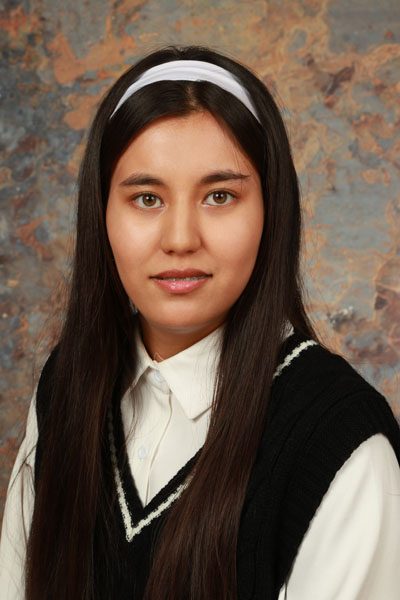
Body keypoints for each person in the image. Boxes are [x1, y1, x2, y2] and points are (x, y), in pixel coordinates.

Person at [1, 45, 400, 600]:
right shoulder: (65, 388)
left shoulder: (341, 442)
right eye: (147, 198)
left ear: (271, 212)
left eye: (219, 196)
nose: (181, 239)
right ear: (101, 214)